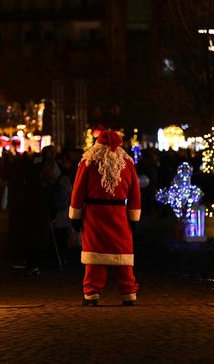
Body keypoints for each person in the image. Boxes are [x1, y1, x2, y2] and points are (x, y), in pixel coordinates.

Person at [69, 130, 141, 306]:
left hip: (94, 214)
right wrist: (134, 217)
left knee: (95, 255)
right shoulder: (127, 163)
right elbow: (135, 194)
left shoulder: (87, 162)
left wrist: (75, 215)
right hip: (119, 215)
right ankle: (128, 292)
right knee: (122, 253)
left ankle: (92, 293)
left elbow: (78, 191)